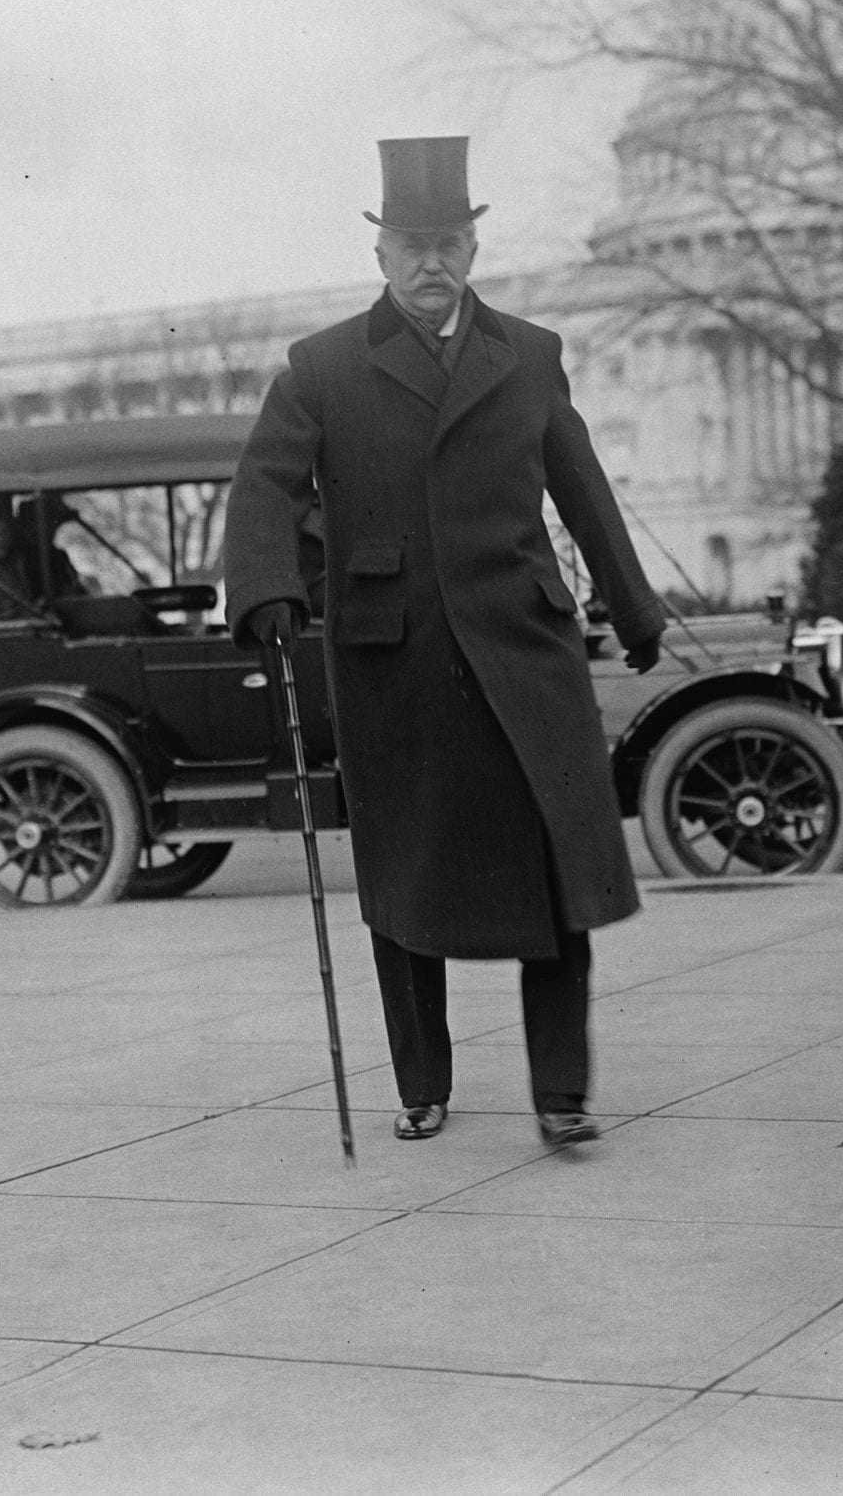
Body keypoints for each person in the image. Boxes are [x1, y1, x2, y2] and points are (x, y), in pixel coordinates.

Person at [225, 135, 665, 1151]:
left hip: (524, 643)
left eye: (450, 244)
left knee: (558, 871)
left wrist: (634, 612)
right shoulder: (323, 369)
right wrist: (266, 591)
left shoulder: (530, 355)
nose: (432, 263)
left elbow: (582, 488)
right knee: (404, 883)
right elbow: (264, 486)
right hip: (396, 660)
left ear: (473, 249)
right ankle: (420, 1085)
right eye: (413, 245)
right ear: (380, 254)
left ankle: (563, 1095)